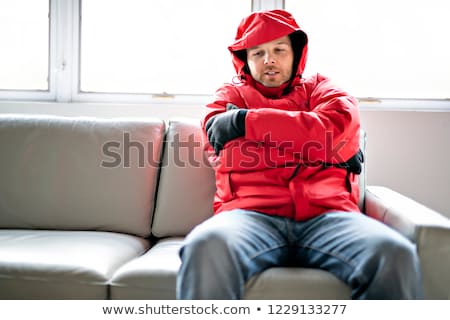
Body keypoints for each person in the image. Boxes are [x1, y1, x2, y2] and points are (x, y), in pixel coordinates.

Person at [176, 9, 422, 299]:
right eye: (257, 53)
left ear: (296, 53)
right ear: (245, 59)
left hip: (329, 216)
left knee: (394, 253)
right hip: (249, 216)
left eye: (279, 49)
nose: (269, 60)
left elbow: (337, 128)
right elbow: (231, 156)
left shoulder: (322, 87)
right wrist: (325, 151)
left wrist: (245, 122)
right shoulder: (228, 97)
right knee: (205, 246)